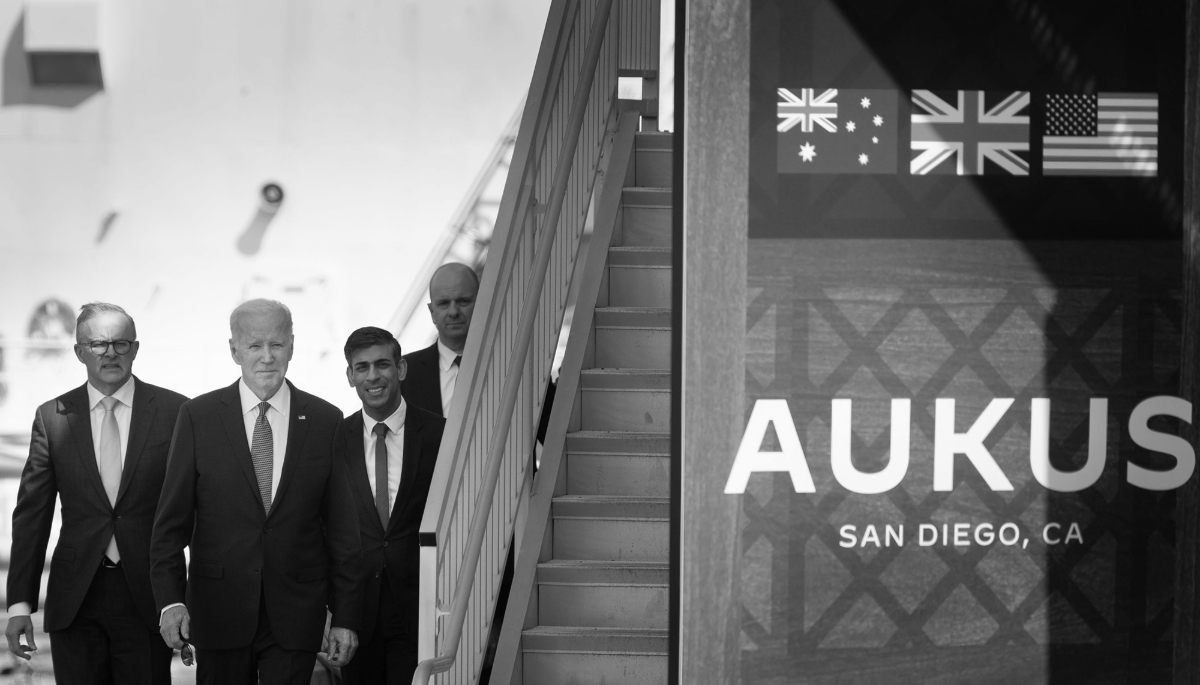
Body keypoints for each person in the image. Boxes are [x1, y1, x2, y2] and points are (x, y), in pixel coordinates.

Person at [149, 299, 363, 685]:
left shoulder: (326, 421)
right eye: (254, 345)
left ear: (292, 346)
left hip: (297, 615)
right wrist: (171, 601)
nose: (267, 357)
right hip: (218, 612)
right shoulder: (198, 418)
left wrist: (344, 617)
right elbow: (170, 525)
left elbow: (344, 532)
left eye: (277, 344)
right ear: (234, 350)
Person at [5, 302, 188, 684]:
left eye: (121, 344)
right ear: (79, 352)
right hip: (76, 599)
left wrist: (187, 600)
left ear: (135, 349)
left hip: (148, 597)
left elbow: (196, 509)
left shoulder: (176, 412)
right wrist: (20, 603)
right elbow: (32, 516)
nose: (110, 353)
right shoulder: (53, 417)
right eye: (98, 344)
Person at [336, 327, 445, 685]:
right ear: (350, 376)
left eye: (382, 364)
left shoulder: (440, 434)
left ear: (401, 369)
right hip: (355, 613)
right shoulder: (333, 439)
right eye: (362, 367)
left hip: (419, 608)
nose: (373, 376)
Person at [402, 263, 478, 417]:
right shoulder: (403, 374)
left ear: (480, 304)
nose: (453, 312)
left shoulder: (510, 363)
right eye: (444, 303)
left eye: (463, 301)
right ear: (432, 312)